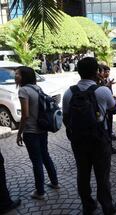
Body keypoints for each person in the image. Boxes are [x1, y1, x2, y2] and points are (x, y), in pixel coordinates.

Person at [63, 57, 116, 214]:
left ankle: (88, 205)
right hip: (99, 140)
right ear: (97, 72)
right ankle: (107, 206)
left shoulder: (69, 92)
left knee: (83, 174)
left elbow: (66, 119)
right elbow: (114, 109)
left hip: (79, 141)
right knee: (102, 176)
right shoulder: (102, 91)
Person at [15, 66, 59, 200]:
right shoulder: (37, 88)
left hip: (31, 132)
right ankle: (55, 183)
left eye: (17, 74)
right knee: (45, 156)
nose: (15, 76)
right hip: (42, 129)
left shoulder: (23, 90)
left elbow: (25, 115)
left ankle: (40, 192)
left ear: (23, 76)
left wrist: (19, 133)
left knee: (36, 161)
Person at [98, 65, 116, 154]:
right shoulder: (100, 84)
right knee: (106, 129)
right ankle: (108, 148)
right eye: (104, 71)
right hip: (105, 111)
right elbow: (112, 106)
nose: (105, 73)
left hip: (103, 112)